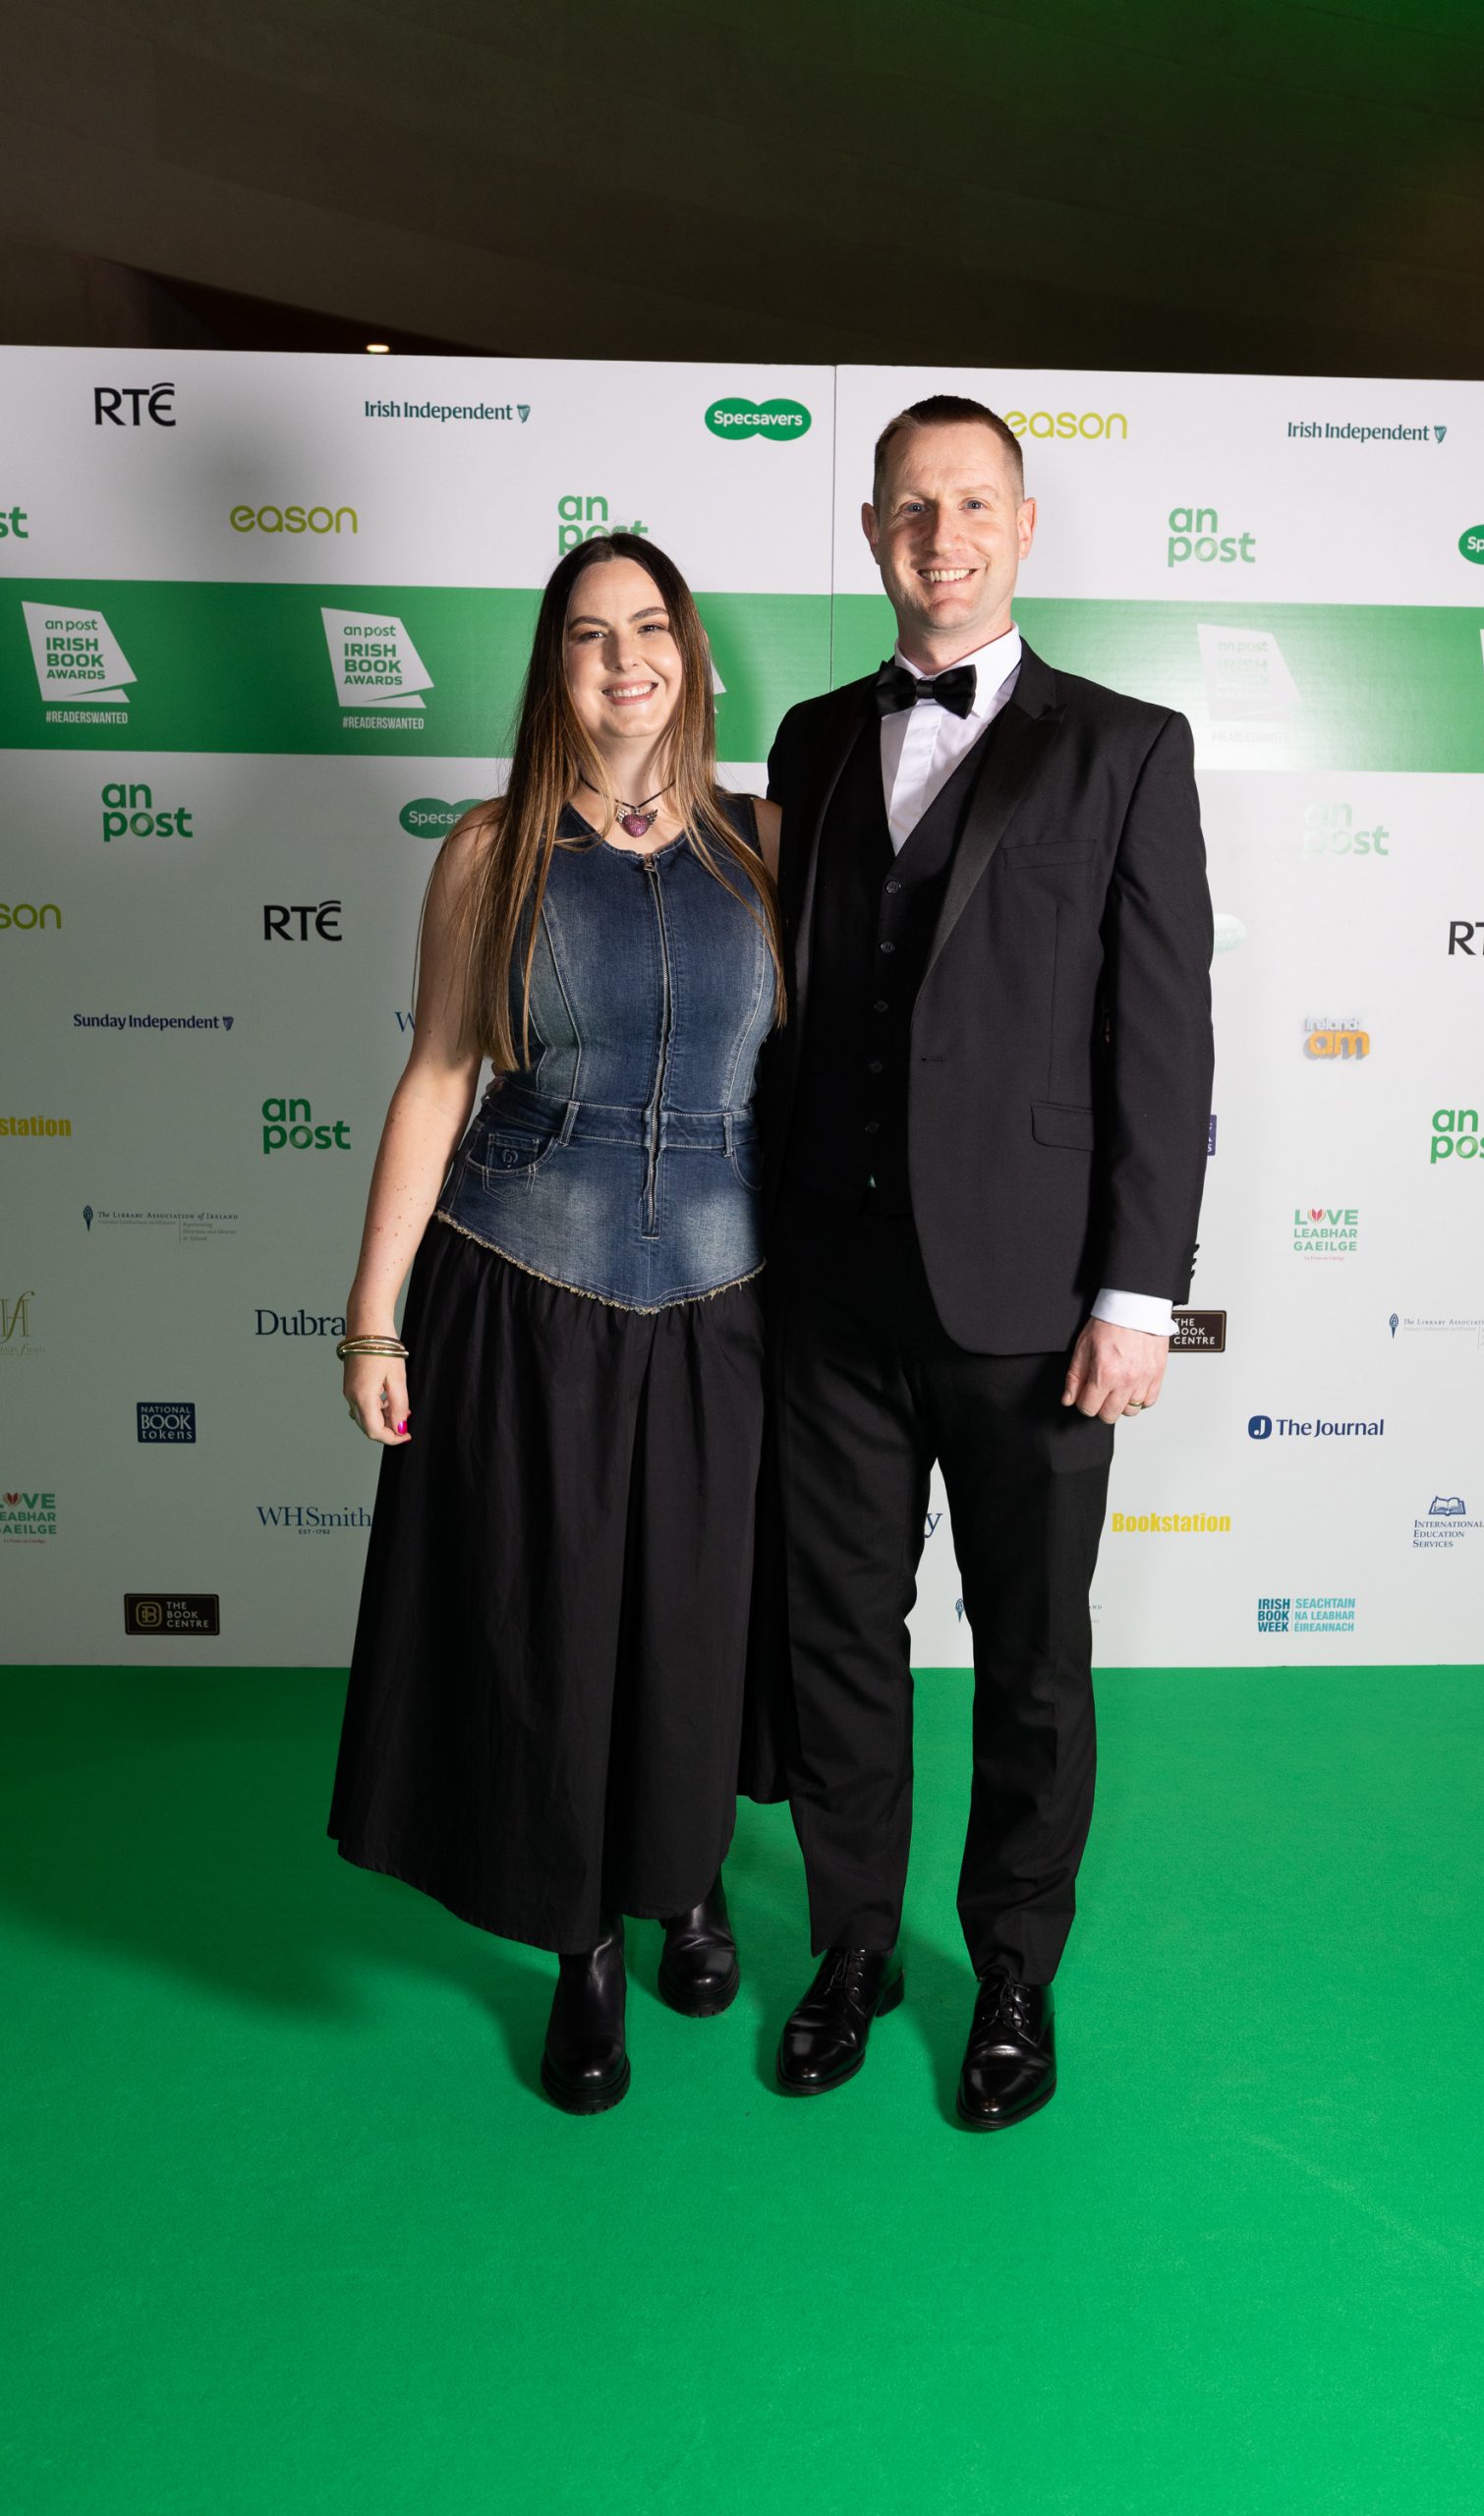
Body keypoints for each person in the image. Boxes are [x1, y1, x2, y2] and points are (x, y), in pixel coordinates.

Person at [759, 394, 1215, 2129]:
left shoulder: (1129, 747)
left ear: (1023, 529)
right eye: (908, 507)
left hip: (1034, 1301)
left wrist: (1136, 1294)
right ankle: (854, 1947)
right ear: (874, 531)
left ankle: (1015, 1969)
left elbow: (1161, 1041)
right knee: (837, 1637)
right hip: (827, 1284)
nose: (938, 538)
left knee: (1030, 1653)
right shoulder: (810, 739)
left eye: (970, 505)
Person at [327, 535, 782, 2115]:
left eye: (650, 628)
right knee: (556, 1626)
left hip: (728, 1301)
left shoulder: (768, 843)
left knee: (696, 1622)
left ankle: (687, 1877)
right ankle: (582, 1938)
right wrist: (372, 1319)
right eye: (590, 635)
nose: (625, 660)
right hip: (524, 1288)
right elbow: (440, 1076)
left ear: (691, 654)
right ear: (554, 669)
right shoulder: (488, 851)